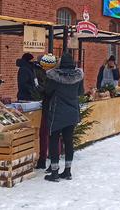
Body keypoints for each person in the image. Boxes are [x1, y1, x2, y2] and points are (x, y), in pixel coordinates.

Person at [43, 53, 84, 182]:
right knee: (68, 141)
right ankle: (67, 171)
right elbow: (80, 92)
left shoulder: (54, 77)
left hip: (57, 112)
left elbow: (47, 92)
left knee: (54, 140)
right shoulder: (78, 77)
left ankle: (54, 172)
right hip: (72, 112)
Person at [34, 54, 56, 169]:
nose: (42, 68)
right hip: (52, 108)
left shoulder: (51, 77)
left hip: (49, 108)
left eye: (44, 65)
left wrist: (39, 88)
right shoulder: (54, 76)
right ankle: (49, 160)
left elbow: (49, 93)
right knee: (50, 134)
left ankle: (46, 160)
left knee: (46, 134)